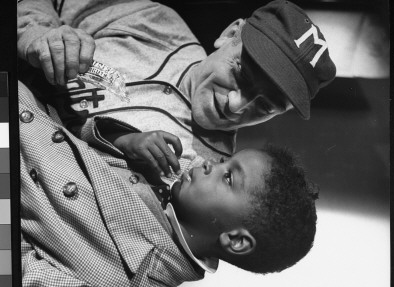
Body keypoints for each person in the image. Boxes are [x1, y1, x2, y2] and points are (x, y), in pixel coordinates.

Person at [19, 79, 317, 287]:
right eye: (225, 161)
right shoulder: (165, 178)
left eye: (228, 178)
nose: (208, 164)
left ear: (236, 241)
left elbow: (12, 277)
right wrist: (122, 140)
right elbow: (67, 137)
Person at [18, 0, 336, 175]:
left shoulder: (205, 174)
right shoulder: (154, 21)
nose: (236, 106)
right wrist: (40, 34)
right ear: (230, 33)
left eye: (265, 106)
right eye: (241, 75)